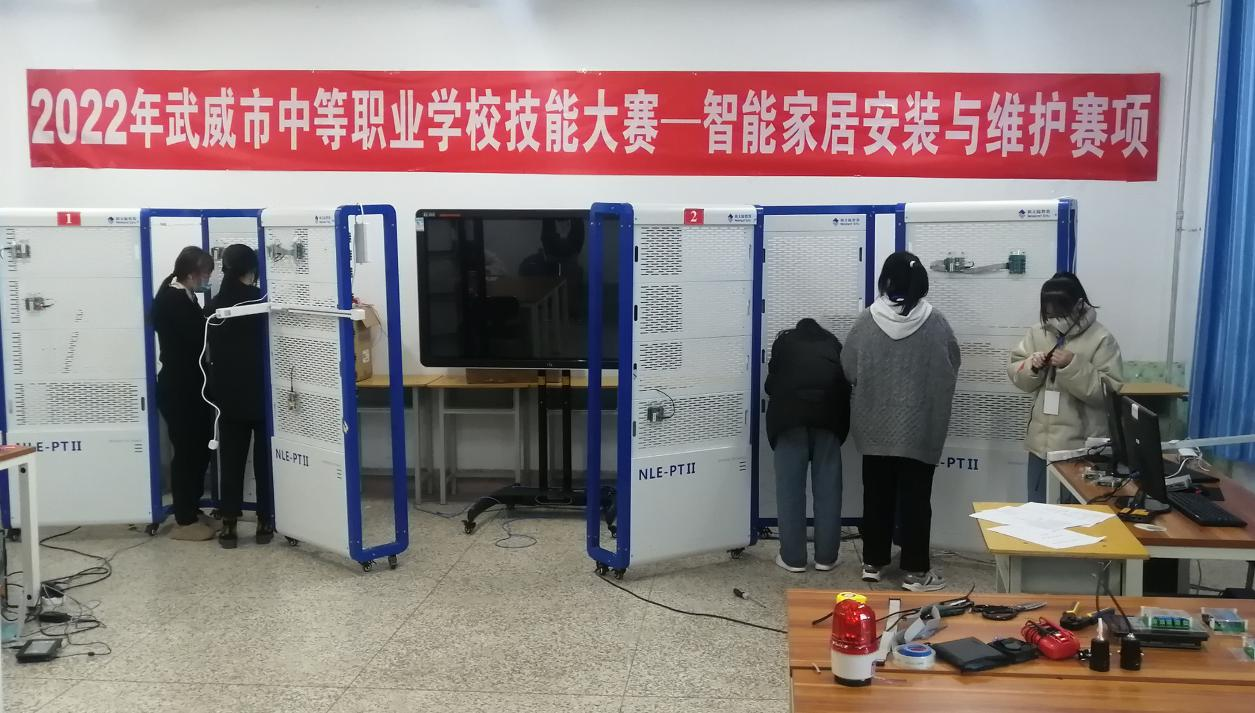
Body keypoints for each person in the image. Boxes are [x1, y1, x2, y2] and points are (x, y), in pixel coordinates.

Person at [842, 251, 960, 592]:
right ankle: (914, 571)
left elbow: (848, 367)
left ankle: (873, 563)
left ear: (887, 280)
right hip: (921, 428)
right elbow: (952, 365)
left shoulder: (867, 320)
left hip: (874, 428)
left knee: (876, 497)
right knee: (916, 501)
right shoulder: (936, 322)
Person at [1008, 272, 1123, 503]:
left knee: (1074, 515)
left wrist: (1073, 365)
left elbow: (1109, 393)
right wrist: (1032, 366)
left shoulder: (1101, 339)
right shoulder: (1037, 333)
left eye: (1060, 314)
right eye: (1049, 314)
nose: (1054, 320)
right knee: (1038, 510)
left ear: (1079, 305)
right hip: (1040, 446)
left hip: (1081, 451)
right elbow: (1016, 372)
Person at [764, 318, 851, 573]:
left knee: (790, 491)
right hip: (828, 422)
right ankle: (826, 557)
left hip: (789, 423)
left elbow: (770, 385)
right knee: (828, 492)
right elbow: (844, 386)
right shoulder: (833, 345)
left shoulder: (784, 344)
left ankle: (793, 558)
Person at [208, 244, 274, 548]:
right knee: (264, 460)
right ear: (252, 269)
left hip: (227, 395)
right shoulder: (261, 301)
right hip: (260, 391)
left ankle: (229, 525)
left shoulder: (215, 304)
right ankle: (264, 521)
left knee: (231, 461)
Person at [152, 246, 217, 541]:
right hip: (179, 388)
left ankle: (192, 507)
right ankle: (184, 519)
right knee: (186, 452)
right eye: (206, 274)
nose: (208, 280)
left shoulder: (186, 296)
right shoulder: (172, 299)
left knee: (200, 449)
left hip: (193, 387)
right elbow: (196, 337)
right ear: (192, 274)